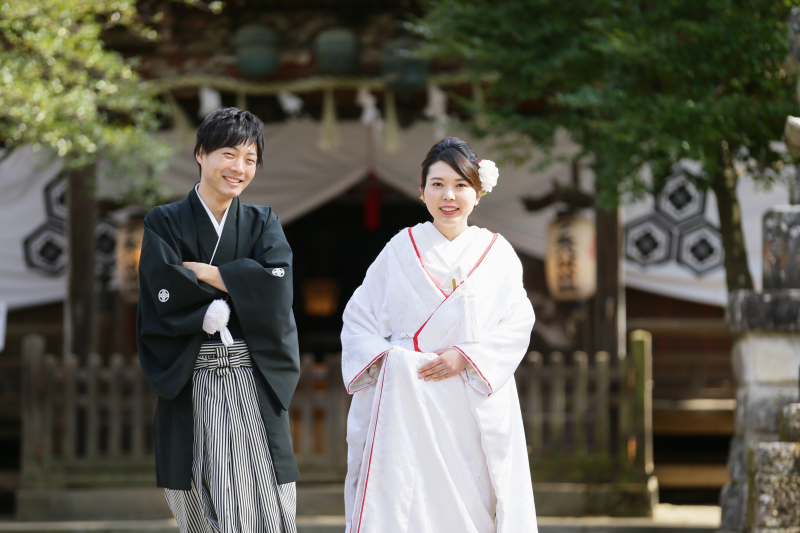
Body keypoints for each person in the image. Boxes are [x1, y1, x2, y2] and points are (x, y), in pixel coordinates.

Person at [341, 137, 538, 533]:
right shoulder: (399, 249)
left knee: (475, 501)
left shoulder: (497, 254)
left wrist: (466, 356)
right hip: (406, 397)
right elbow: (359, 319)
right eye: (438, 184)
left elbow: (518, 323)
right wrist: (395, 360)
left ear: (477, 194)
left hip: (469, 397)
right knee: (405, 503)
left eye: (461, 185)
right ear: (421, 190)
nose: (449, 195)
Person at [137, 107, 300, 533]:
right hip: (194, 378)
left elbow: (278, 289)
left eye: (250, 159)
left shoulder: (263, 222)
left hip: (251, 377)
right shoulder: (163, 222)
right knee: (197, 493)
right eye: (229, 154)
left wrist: (213, 274)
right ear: (200, 154)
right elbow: (162, 288)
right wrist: (229, 291)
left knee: (266, 496)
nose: (239, 168)